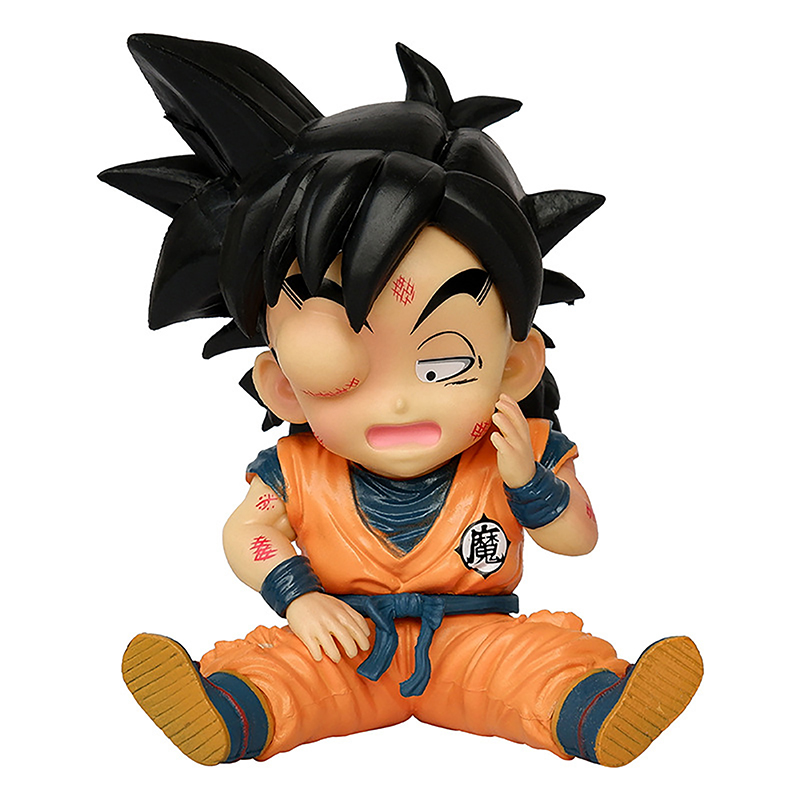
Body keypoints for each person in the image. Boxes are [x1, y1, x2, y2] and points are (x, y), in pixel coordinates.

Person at [101, 34, 703, 768]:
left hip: (474, 635)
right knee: (286, 674)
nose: (396, 404)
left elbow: (577, 537)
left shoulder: (519, 448)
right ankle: (230, 711)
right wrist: (298, 597)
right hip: (342, 639)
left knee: (532, 668)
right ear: (283, 386)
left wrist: (528, 481)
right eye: (342, 375)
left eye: (445, 362)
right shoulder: (296, 468)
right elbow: (248, 533)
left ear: (514, 366)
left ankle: (597, 711)